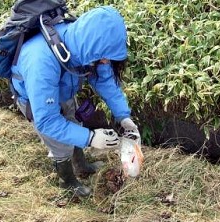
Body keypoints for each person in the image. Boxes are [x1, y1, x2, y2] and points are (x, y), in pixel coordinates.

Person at [10, 6, 140, 197]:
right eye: (104, 57)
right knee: (59, 142)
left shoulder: (84, 45)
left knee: (74, 122)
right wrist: (91, 138)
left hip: (64, 88)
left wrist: (124, 117)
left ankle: (81, 165)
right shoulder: (41, 61)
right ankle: (67, 182)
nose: (106, 62)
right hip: (35, 97)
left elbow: (104, 80)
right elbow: (47, 121)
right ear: (94, 49)